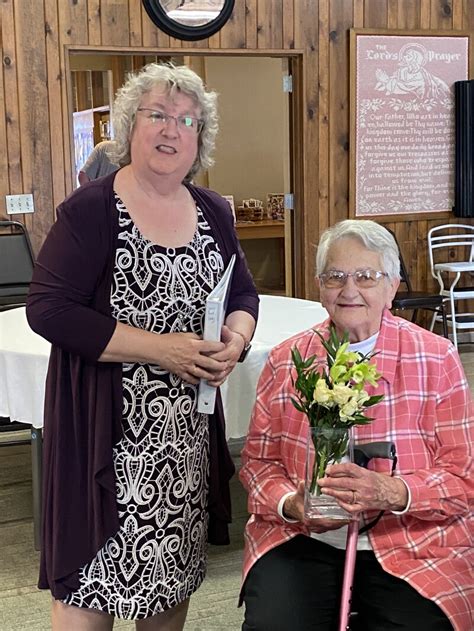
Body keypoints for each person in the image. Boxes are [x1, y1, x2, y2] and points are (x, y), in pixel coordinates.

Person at [26, 62, 259, 630]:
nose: (171, 129)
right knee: (89, 586)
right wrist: (161, 350)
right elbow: (48, 309)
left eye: (187, 120)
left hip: (184, 444)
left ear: (199, 138)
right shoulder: (90, 210)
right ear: (131, 125)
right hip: (104, 439)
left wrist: (236, 339)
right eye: (157, 114)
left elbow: (242, 293)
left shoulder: (213, 210)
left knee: (168, 581)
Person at [239, 219, 473, 631]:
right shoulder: (286, 360)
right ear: (319, 286)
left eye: (366, 276)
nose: (349, 290)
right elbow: (259, 463)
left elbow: (463, 478)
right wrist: (291, 504)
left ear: (392, 286)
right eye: (335, 277)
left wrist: (392, 491)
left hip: (412, 536)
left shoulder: (437, 358)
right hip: (303, 537)